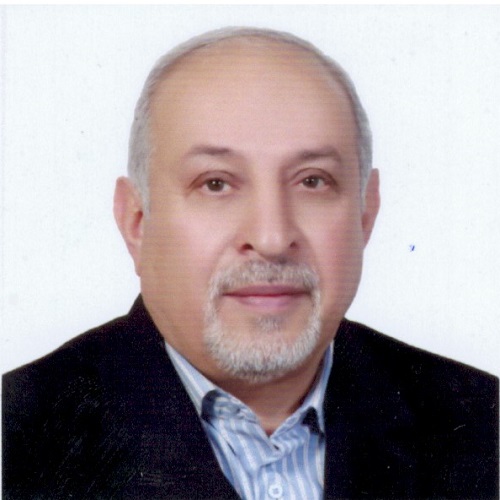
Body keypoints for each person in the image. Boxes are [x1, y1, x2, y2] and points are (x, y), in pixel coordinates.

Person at [2, 27, 498, 499]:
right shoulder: (18, 439)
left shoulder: (482, 423)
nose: (272, 238)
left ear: (366, 214)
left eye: (312, 181)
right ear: (137, 222)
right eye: (215, 183)